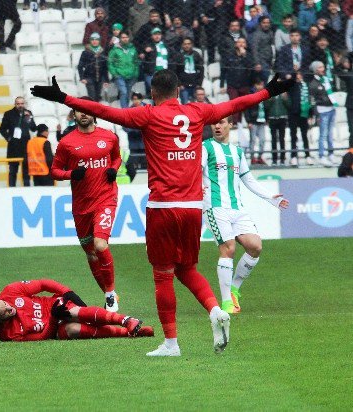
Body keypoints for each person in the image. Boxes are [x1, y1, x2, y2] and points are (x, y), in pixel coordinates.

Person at [31, 70, 295, 356]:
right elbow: (234, 105)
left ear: (153, 94)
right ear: (179, 91)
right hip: (193, 207)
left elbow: (104, 111)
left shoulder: (147, 115)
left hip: (163, 208)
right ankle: (216, 310)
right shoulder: (198, 112)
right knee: (187, 268)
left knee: (162, 275)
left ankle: (171, 343)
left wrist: (64, 99)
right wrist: (268, 92)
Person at [203, 116, 290, 314]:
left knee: (255, 246)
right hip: (215, 206)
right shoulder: (205, 147)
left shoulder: (237, 152)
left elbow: (248, 179)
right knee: (229, 249)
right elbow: (194, 172)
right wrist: (196, 189)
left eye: (222, 122)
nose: (217, 126)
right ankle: (226, 302)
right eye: (214, 123)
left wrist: (271, 198)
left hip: (237, 208)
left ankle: (234, 289)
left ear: (230, 125)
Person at [50, 97, 121, 312]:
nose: (83, 114)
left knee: (100, 245)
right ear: (74, 114)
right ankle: (109, 293)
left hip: (105, 199)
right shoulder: (67, 142)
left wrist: (114, 169)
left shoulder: (109, 137)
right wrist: (71, 174)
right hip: (81, 205)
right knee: (90, 253)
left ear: (93, 113)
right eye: (78, 111)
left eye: (86, 110)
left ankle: (110, 294)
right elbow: (54, 170)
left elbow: (116, 158)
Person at [0, 279, 154, 342]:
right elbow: (42, 338)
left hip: (54, 305)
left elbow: (45, 283)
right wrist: (53, 319)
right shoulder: (8, 335)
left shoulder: (9, 292)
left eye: (4, 304)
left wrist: (68, 293)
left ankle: (127, 321)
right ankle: (128, 334)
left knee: (75, 312)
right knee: (73, 329)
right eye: (4, 312)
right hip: (53, 328)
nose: (9, 307)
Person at [0, 97, 37, 187]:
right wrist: (8, 138)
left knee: (26, 171)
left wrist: (29, 118)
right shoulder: (8, 114)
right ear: (15, 104)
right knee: (12, 171)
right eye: (18, 104)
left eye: (22, 104)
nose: (20, 105)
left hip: (25, 146)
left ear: (24, 104)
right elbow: (2, 129)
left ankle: (27, 189)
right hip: (13, 146)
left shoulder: (28, 113)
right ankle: (12, 189)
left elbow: (34, 128)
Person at [309, 60, 337, 167]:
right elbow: (313, 101)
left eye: (323, 67)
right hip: (322, 111)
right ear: (315, 70)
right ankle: (321, 155)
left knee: (330, 134)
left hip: (331, 109)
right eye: (320, 67)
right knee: (323, 134)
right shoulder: (313, 84)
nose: (323, 69)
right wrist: (316, 115)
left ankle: (331, 154)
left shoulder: (326, 80)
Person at [221, 38, 254, 124]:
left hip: (245, 84)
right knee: (235, 105)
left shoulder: (249, 55)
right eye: (239, 42)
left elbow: (250, 66)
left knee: (245, 105)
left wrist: (244, 56)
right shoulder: (229, 55)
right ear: (236, 44)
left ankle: (248, 123)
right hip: (232, 85)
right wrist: (221, 85)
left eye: (243, 42)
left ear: (246, 45)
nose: (241, 44)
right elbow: (223, 70)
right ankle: (235, 123)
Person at [287, 72, 314, 165]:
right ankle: (293, 156)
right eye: (297, 75)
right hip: (293, 114)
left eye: (300, 75)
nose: (299, 77)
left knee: (304, 135)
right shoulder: (292, 86)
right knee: (293, 136)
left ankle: (307, 155)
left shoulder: (305, 86)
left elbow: (309, 100)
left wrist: (310, 114)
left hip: (303, 114)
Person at [108, 32, 139, 108]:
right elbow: (110, 62)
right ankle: (124, 111)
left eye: (126, 37)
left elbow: (136, 62)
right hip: (119, 75)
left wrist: (136, 73)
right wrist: (114, 73)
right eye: (123, 37)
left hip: (131, 75)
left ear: (129, 38)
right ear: (120, 39)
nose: (125, 39)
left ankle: (126, 109)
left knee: (128, 93)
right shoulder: (115, 50)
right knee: (123, 92)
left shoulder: (133, 49)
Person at [77, 33, 109, 102]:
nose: (94, 41)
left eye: (96, 39)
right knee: (92, 97)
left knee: (98, 97)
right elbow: (80, 66)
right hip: (89, 78)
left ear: (99, 41)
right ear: (90, 41)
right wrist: (82, 78)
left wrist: (106, 80)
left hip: (100, 79)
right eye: (92, 39)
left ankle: (95, 112)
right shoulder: (85, 52)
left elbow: (105, 68)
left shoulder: (102, 52)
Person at [244, 78, 268, 165]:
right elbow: (246, 109)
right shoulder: (251, 95)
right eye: (260, 85)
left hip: (262, 121)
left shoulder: (264, 95)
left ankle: (260, 157)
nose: (262, 87)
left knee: (262, 140)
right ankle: (252, 157)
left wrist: (267, 118)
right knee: (253, 140)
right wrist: (248, 121)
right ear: (256, 85)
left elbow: (266, 107)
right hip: (253, 121)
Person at [173, 37, 203, 104]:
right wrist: (179, 84)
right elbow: (176, 72)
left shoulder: (196, 55)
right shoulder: (179, 56)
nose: (187, 45)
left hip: (195, 85)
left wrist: (199, 83)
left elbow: (201, 70)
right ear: (182, 45)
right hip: (184, 86)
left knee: (196, 104)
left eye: (188, 44)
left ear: (191, 45)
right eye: (185, 44)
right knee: (185, 104)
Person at [140, 27, 170, 92]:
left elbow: (172, 56)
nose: (157, 36)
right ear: (151, 36)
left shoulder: (166, 45)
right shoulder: (148, 44)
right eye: (155, 34)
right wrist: (144, 51)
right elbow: (141, 52)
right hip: (151, 72)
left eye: (158, 34)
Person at [265, 88, 290, 165]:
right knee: (273, 139)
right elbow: (266, 106)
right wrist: (271, 98)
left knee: (282, 139)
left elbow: (289, 105)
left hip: (282, 118)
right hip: (272, 119)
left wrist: (285, 98)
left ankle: (282, 159)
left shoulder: (284, 94)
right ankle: (274, 159)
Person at [251, 16, 274, 84]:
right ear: (260, 23)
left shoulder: (270, 32)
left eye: (268, 23)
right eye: (264, 23)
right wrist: (257, 63)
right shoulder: (257, 34)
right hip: (261, 61)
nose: (266, 24)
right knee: (263, 81)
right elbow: (254, 49)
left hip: (269, 60)